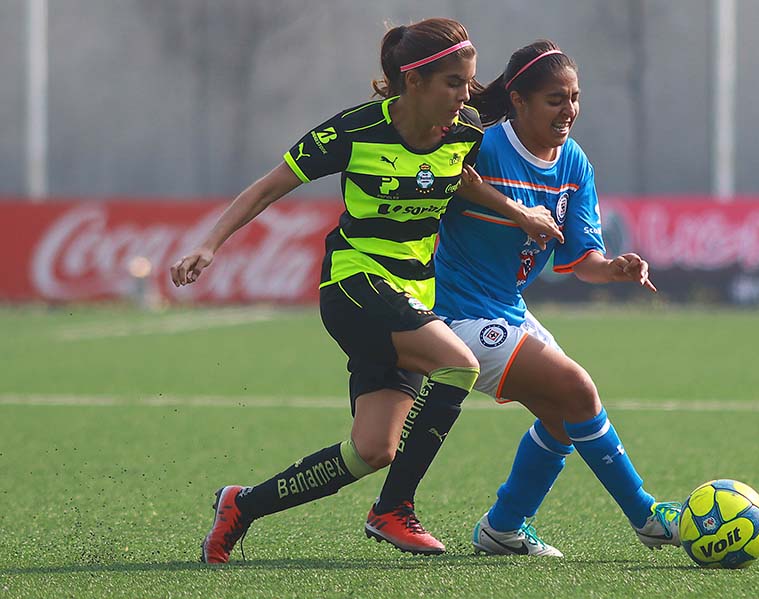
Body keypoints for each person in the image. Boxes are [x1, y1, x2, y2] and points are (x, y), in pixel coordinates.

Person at [171, 18, 556, 563]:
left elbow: (462, 177)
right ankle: (394, 508)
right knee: (459, 363)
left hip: (413, 294)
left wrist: (521, 216)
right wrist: (209, 245)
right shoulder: (353, 131)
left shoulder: (463, 130)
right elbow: (269, 186)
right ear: (412, 82)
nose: (465, 96)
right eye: (452, 83)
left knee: (373, 450)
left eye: (468, 83)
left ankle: (242, 505)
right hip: (355, 283)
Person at [431, 40, 682, 556]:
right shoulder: (481, 144)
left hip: (508, 308)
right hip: (455, 314)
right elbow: (434, 176)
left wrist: (612, 269)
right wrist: (512, 210)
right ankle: (647, 515)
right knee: (577, 388)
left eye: (574, 97)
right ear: (517, 100)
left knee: (562, 417)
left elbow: (581, 257)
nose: (569, 110)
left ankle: (502, 528)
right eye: (554, 99)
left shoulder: (574, 163)